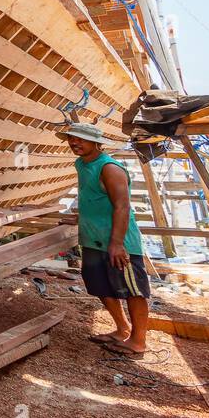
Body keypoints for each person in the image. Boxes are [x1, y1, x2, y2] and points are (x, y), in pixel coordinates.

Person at [60, 122, 150, 358]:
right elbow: (95, 197)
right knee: (99, 285)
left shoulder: (110, 168)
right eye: (71, 138)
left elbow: (122, 206)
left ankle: (138, 341)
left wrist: (117, 243)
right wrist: (82, 217)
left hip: (118, 241)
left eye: (80, 139)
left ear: (96, 143)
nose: (74, 142)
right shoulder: (81, 164)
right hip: (92, 239)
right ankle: (122, 329)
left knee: (133, 289)